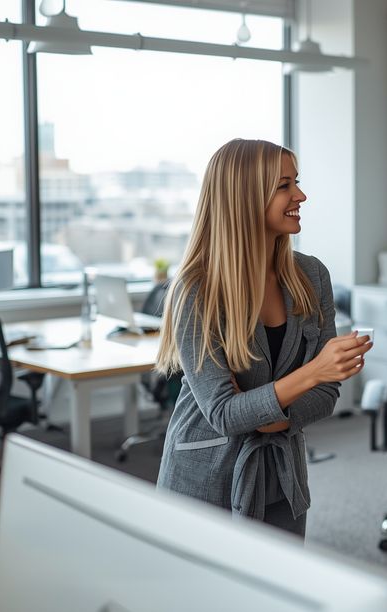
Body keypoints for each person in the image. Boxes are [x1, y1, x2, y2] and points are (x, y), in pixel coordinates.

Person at [155, 139, 372, 536]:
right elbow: (223, 414)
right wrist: (310, 374)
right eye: (284, 186)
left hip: (281, 476)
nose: (301, 195)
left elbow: (327, 396)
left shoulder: (312, 276)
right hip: (205, 479)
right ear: (244, 198)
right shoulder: (197, 290)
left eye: (297, 182)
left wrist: (268, 416)